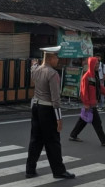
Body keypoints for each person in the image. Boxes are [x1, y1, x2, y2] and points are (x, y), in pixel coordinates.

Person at [26, 46, 75, 179]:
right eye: (56, 57)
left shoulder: (36, 70)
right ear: (51, 58)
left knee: (35, 139)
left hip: (36, 107)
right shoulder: (52, 73)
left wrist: (34, 64)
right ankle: (58, 171)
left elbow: (32, 68)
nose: (58, 60)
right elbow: (55, 99)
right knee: (53, 141)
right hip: (48, 109)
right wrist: (59, 119)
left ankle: (30, 169)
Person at [69, 56, 105, 146]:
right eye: (96, 64)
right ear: (91, 64)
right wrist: (86, 103)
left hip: (93, 102)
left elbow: (100, 88)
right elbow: (83, 92)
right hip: (90, 103)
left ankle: (73, 135)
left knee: (83, 120)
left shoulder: (95, 76)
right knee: (97, 122)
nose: (98, 65)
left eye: (98, 64)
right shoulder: (86, 77)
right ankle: (104, 140)